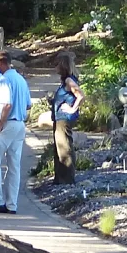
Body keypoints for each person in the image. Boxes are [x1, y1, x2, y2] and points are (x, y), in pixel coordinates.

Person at [0, 53, 32, 215]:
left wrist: (1, 121)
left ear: (1, 63)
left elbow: (8, 104)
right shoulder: (21, 80)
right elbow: (28, 105)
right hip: (20, 124)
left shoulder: (5, 80)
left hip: (8, 122)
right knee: (13, 165)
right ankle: (12, 204)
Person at [51, 54, 85, 184]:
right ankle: (59, 178)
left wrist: (72, 108)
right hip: (59, 118)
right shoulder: (66, 81)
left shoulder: (69, 81)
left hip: (64, 118)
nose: (55, 68)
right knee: (59, 148)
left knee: (64, 147)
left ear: (63, 65)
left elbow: (80, 95)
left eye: (57, 64)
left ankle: (67, 179)